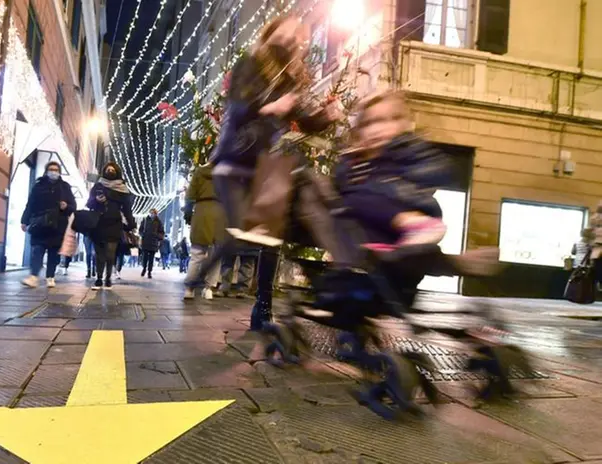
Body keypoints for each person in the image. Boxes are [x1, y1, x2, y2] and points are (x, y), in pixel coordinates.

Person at [186, 14, 335, 329]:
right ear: (273, 30)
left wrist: (327, 116)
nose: (296, 36)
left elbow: (305, 120)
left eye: (300, 35)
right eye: (290, 29)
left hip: (264, 163)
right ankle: (205, 275)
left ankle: (263, 308)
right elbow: (237, 109)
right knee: (248, 230)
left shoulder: (289, 78)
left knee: (273, 235)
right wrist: (269, 108)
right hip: (237, 157)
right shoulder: (250, 65)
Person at [334, 90, 450, 251]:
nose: (375, 129)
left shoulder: (407, 149)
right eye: (368, 123)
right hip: (376, 234)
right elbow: (340, 186)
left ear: (401, 124)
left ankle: (415, 225)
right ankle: (380, 248)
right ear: (359, 131)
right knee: (351, 201)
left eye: (383, 121)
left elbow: (437, 170)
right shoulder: (354, 161)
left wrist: (407, 178)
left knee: (356, 198)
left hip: (410, 208)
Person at [20, 161, 76, 288]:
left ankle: (50, 276)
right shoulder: (38, 186)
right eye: (51, 169)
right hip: (40, 223)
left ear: (59, 172)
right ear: (46, 171)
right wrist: (24, 220)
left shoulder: (65, 187)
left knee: (53, 253)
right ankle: (33, 276)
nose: (53, 172)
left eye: (56, 170)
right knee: (37, 250)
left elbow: (73, 206)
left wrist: (66, 206)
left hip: (58, 225)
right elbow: (30, 204)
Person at [87, 162, 135, 289]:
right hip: (98, 223)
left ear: (117, 172)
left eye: (112, 170)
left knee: (110, 253)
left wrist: (131, 224)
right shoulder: (98, 186)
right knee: (99, 253)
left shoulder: (123, 189)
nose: (110, 171)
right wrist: (96, 200)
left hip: (114, 223)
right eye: (108, 169)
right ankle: (98, 278)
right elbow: (89, 203)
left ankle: (108, 278)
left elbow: (127, 209)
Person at [184, 164, 226, 300]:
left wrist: (188, 215)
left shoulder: (200, 172)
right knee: (216, 254)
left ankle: (190, 289)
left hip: (202, 211)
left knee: (196, 254)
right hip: (221, 213)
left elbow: (190, 196)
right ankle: (208, 288)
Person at [139, 208, 165, 279]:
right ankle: (144, 268)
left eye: (154, 213)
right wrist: (142, 234)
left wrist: (156, 235)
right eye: (151, 213)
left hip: (154, 242)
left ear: (156, 214)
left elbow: (162, 232)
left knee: (151, 258)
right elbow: (140, 230)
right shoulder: (145, 220)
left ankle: (149, 272)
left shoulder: (159, 222)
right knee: (144, 257)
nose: (152, 214)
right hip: (146, 241)